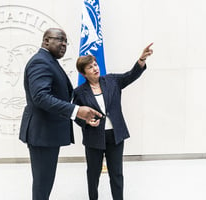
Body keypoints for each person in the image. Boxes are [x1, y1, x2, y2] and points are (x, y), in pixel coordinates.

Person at [19, 28, 102, 200]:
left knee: (45, 182)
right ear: (46, 41)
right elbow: (40, 97)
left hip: (47, 133)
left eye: (66, 41)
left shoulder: (48, 60)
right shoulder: (40, 62)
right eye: (60, 40)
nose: (64, 44)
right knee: (43, 184)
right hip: (42, 133)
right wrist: (76, 111)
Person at [73, 43, 153, 200]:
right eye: (90, 67)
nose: (95, 68)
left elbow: (131, 75)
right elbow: (76, 115)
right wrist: (86, 122)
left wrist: (141, 59)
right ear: (84, 73)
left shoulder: (112, 81)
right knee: (93, 174)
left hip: (115, 136)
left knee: (116, 173)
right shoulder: (79, 92)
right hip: (93, 138)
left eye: (95, 64)